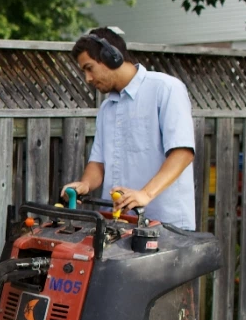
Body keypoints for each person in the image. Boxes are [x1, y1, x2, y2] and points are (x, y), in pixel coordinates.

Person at [62, 27, 197, 230]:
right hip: (118, 226)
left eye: (89, 68)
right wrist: (85, 185)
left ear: (111, 57)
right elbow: (98, 162)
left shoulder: (165, 89)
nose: (88, 79)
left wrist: (145, 194)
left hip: (166, 227)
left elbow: (183, 153)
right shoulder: (107, 108)